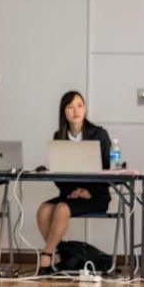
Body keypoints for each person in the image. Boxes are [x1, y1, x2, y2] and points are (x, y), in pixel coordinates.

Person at [36, 91, 111, 274]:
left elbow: (108, 169)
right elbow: (58, 171)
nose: (75, 110)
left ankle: (47, 256)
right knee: (44, 210)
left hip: (95, 195)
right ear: (64, 112)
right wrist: (72, 191)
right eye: (70, 106)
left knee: (61, 209)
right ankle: (59, 255)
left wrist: (88, 192)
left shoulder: (99, 134)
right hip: (69, 194)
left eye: (79, 105)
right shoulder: (59, 135)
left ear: (85, 108)